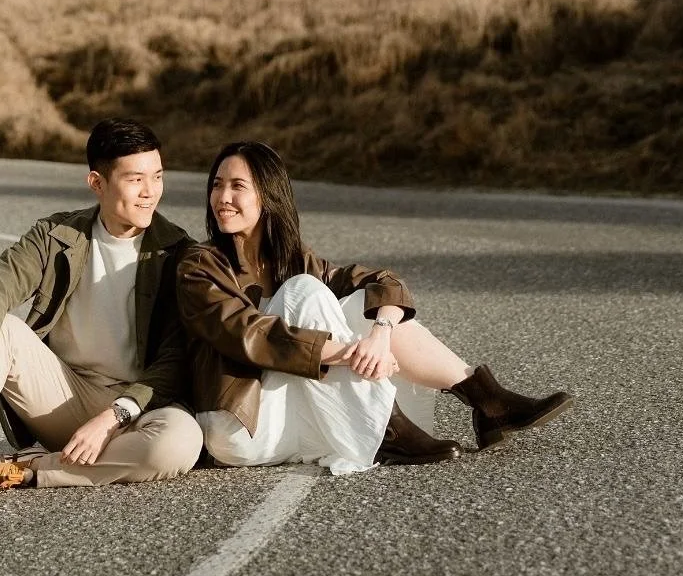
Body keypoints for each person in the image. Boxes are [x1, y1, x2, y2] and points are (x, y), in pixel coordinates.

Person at [177, 140, 572, 474]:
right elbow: (248, 334)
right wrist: (351, 354)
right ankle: (386, 429)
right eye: (217, 185)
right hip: (240, 426)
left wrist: (379, 337)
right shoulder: (199, 265)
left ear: (268, 196)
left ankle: (487, 401)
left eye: (237, 186)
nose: (222, 198)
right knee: (305, 292)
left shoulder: (293, 259)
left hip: (291, 421)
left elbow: (384, 282)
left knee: (359, 307)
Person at [0, 119, 203, 517]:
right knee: (0, 330)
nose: (150, 193)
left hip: (138, 408)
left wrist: (113, 416)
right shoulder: (56, 234)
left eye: (157, 177)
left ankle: (24, 470)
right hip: (63, 396)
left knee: (180, 443)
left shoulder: (178, 252)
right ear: (97, 183)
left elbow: (175, 359)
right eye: (136, 179)